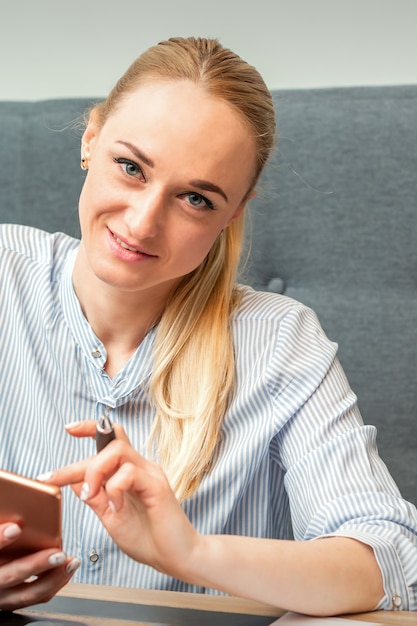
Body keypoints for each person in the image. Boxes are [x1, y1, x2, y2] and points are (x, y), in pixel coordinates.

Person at [0, 36, 416, 617]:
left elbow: (383, 562)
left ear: (233, 212)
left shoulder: (279, 343)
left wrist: (191, 552)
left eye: (195, 198)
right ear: (90, 141)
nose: (143, 224)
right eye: (131, 167)